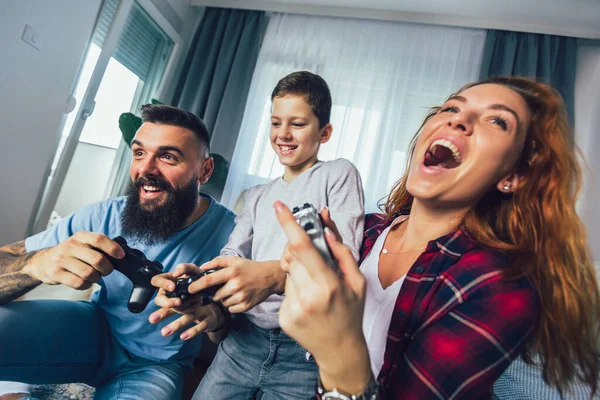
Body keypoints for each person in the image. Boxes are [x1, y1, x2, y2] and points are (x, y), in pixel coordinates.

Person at [274, 77, 600, 399]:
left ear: (512, 176)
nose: (459, 119)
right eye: (451, 108)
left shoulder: (502, 287)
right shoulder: (365, 231)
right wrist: (287, 276)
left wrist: (338, 351)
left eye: (497, 121)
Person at [150, 71, 365, 399]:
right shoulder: (256, 196)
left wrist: (282, 272)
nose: (283, 134)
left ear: (325, 132)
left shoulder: (338, 174)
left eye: (298, 123)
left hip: (303, 354)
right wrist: (203, 277)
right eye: (276, 122)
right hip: (242, 342)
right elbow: (233, 253)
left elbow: (344, 258)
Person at [0, 104, 236, 400]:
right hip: (89, 330)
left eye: (167, 156)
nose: (145, 169)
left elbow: (235, 330)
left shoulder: (235, 235)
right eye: (139, 153)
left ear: (205, 169)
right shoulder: (105, 215)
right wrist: (34, 264)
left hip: (155, 365)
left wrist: (215, 316)